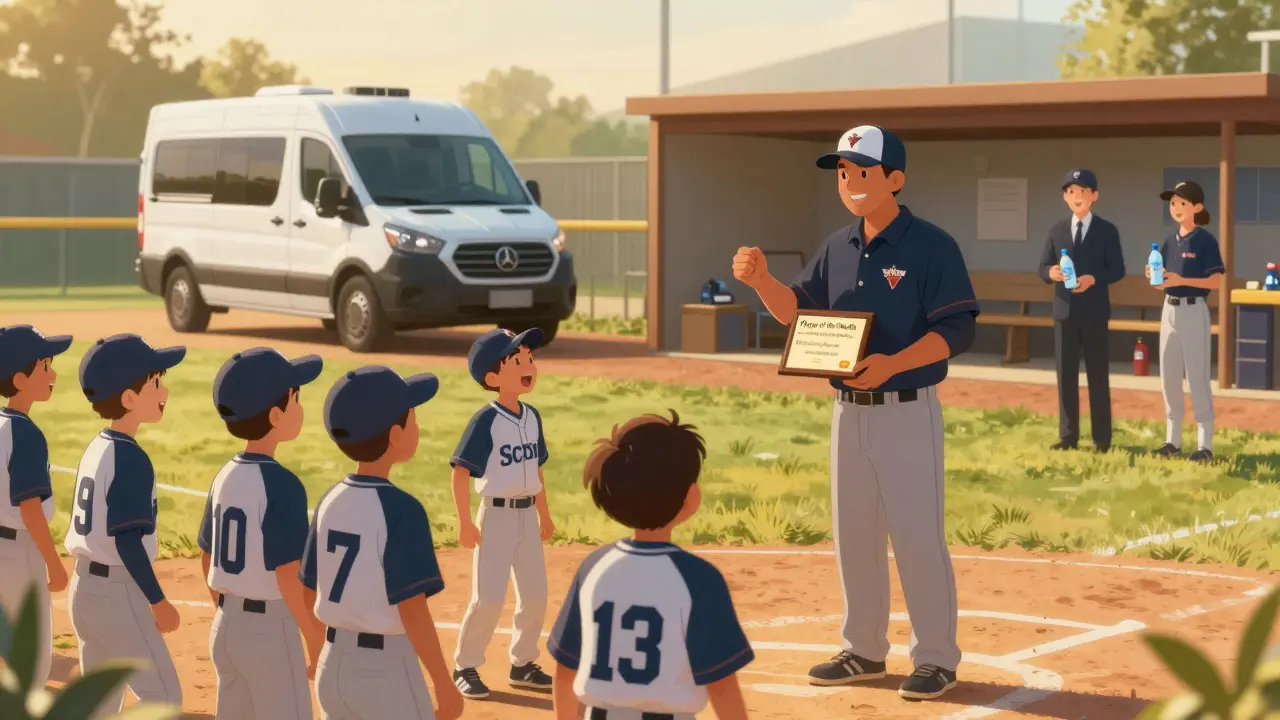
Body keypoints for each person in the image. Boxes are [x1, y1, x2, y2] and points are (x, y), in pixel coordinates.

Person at [732, 125, 979, 701]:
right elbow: (799, 313)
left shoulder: (932, 245)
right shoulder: (837, 245)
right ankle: (864, 649)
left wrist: (893, 365)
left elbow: (957, 329)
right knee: (855, 535)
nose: (850, 182)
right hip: (847, 409)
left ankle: (936, 657)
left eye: (862, 171)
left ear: (895, 179)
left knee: (917, 535)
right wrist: (763, 280)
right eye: (843, 173)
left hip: (906, 409)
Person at [547, 410, 753, 720]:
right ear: (690, 499)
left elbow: (566, 669)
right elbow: (721, 686)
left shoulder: (594, 567)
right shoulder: (699, 579)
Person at [302, 365, 463, 720]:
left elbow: (306, 589)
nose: (417, 427)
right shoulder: (402, 510)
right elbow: (412, 608)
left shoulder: (329, 500)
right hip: (385, 674)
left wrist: (317, 648)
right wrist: (442, 681)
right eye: (412, 420)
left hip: (332, 668)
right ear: (394, 435)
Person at [198, 348, 327, 720]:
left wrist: (230, 613)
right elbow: (288, 574)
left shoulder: (224, 475)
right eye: (296, 398)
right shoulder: (282, 485)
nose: (300, 407)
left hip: (225, 626)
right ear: (275, 415)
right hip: (271, 633)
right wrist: (314, 635)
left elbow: (206, 556)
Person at [65, 333, 186, 717]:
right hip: (117, 594)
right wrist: (158, 600)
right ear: (129, 399)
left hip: (82, 590)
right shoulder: (131, 459)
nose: (164, 389)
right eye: (155, 381)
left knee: (99, 703)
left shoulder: (97, 446)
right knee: (163, 697)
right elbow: (127, 541)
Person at [450, 328, 555, 699]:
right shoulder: (486, 421)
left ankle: (523, 662)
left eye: (529, 358)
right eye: (517, 360)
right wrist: (464, 521)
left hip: (527, 515)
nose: (528, 365)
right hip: (494, 518)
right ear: (492, 378)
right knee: (488, 597)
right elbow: (461, 471)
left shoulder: (532, 417)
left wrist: (544, 513)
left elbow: (537, 469)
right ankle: (465, 665)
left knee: (536, 595)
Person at [0, 325, 73, 692]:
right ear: (19, 379)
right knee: (31, 662)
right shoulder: (26, 433)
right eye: (44, 367)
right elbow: (29, 507)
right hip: (18, 555)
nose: (53, 375)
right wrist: (55, 564)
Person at [1038, 169, 1126, 453]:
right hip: (1064, 312)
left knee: (1097, 375)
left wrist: (1093, 279)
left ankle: (1102, 439)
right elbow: (1042, 267)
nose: (1077, 197)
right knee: (1066, 376)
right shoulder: (1057, 231)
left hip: (1095, 313)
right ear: (1065, 198)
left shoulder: (1107, 230)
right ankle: (1068, 436)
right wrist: (1051, 272)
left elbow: (1118, 270)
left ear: (1094, 196)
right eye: (1071, 192)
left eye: (1083, 191)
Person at [1147, 180, 1223, 462]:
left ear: (1197, 207)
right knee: (1168, 376)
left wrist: (1182, 280)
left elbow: (1215, 281)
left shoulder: (1205, 241)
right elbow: (1166, 275)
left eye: (1182, 203)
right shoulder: (1169, 241)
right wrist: (1157, 279)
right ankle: (1172, 440)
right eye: (1173, 203)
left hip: (1193, 310)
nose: (1176, 208)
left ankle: (1205, 445)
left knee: (1197, 377)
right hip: (1169, 310)